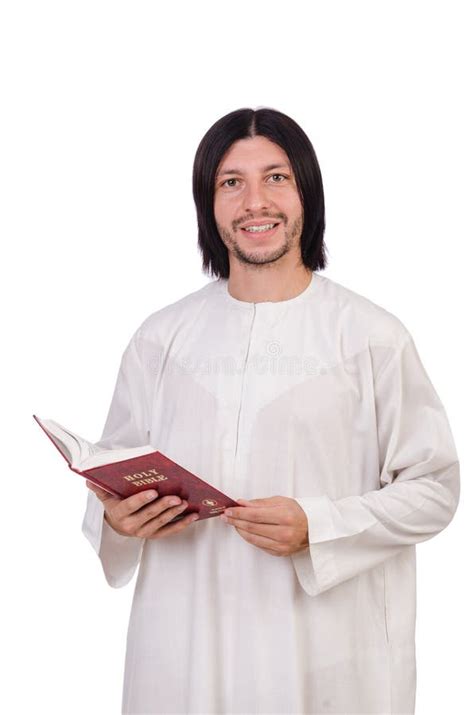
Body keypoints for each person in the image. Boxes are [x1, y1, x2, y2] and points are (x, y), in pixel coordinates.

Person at [82, 107, 460, 715]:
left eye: (276, 177)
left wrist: (319, 525)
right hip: (184, 653)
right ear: (209, 204)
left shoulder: (370, 337)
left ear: (307, 191)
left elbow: (435, 488)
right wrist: (119, 520)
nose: (255, 201)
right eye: (231, 182)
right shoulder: (161, 339)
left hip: (325, 651)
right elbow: (117, 477)